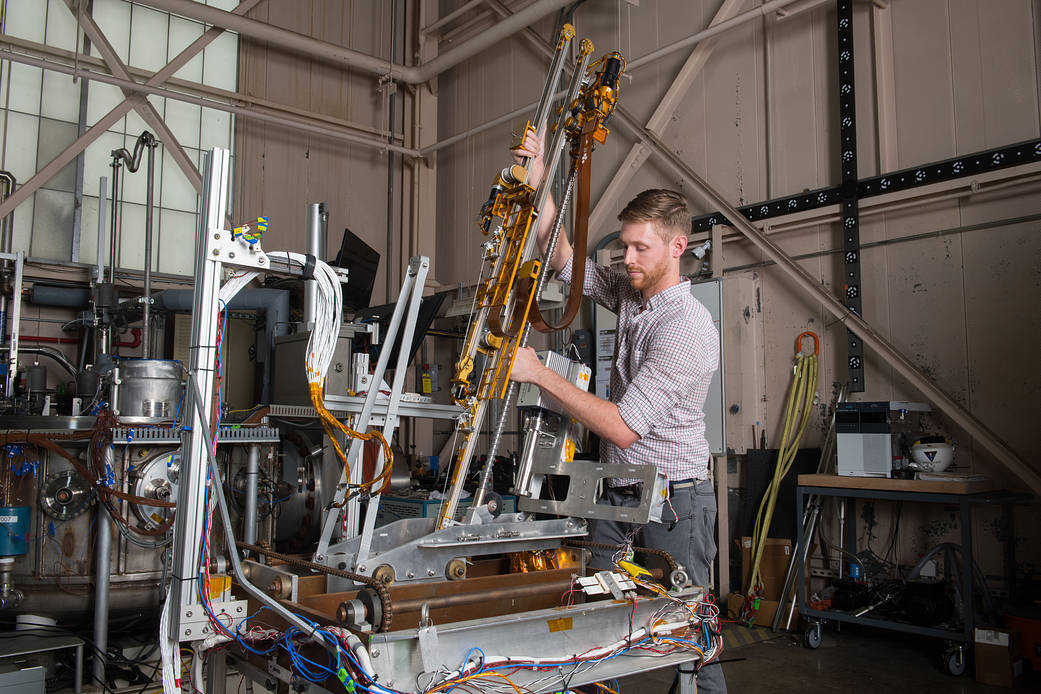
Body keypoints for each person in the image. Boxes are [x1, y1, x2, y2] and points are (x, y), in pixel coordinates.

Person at [508, 132, 725, 694]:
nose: (625, 258)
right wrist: (538, 180)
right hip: (619, 489)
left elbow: (624, 428)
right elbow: (565, 262)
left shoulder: (684, 327)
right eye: (623, 246)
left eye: (639, 249)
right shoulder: (634, 294)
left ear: (677, 248)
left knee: (686, 637)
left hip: (673, 499)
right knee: (595, 618)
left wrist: (537, 373)